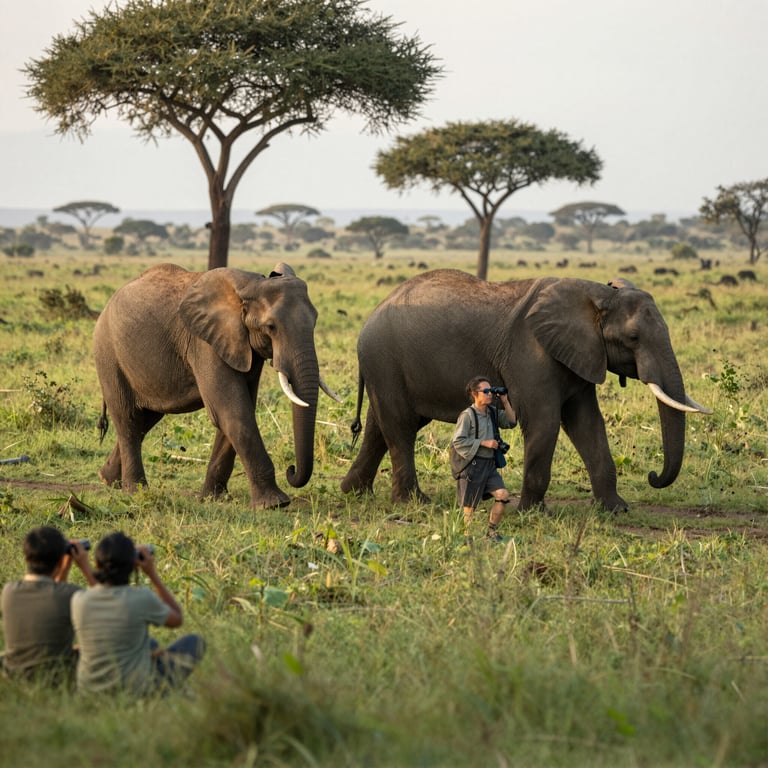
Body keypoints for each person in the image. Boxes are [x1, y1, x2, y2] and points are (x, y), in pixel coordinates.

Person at [71, 531, 205, 696]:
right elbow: (177, 619)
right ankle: (162, 692)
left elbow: (102, 595)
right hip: (137, 690)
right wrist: (153, 575)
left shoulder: (79, 600)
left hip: (90, 691)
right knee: (195, 641)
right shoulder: (142, 598)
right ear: (134, 564)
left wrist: (84, 566)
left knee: (151, 643)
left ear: (97, 565)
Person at [1, 525, 96, 684]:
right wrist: (85, 567)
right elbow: (109, 604)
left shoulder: (8, 592)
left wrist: (63, 569)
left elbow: (53, 593)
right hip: (58, 677)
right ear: (60, 561)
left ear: (26, 559)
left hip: (15, 674)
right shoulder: (71, 594)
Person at [452, 376, 518, 542]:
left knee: (502, 494)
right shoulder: (467, 415)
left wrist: (505, 401)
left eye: (491, 391)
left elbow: (511, 421)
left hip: (489, 465)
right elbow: (458, 441)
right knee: (470, 506)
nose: (490, 394)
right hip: (472, 464)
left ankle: (492, 532)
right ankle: (468, 538)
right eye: (486, 391)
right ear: (475, 394)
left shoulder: (492, 413)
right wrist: (484, 443)